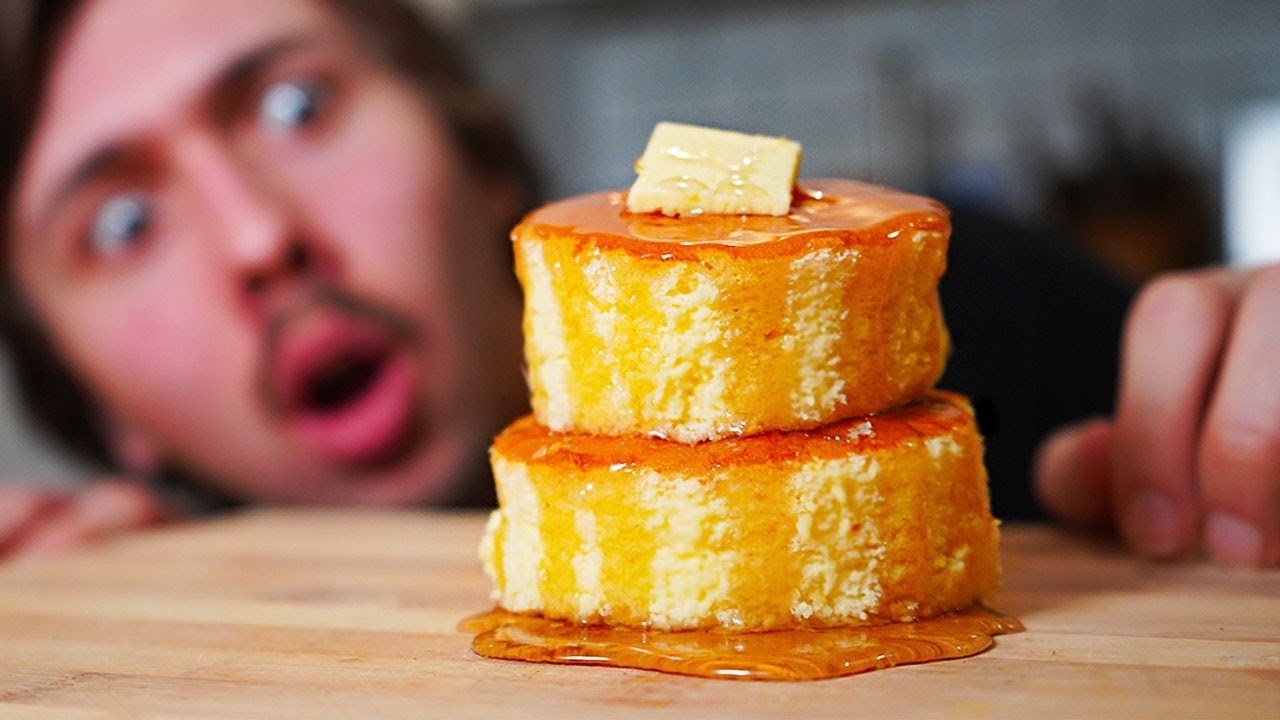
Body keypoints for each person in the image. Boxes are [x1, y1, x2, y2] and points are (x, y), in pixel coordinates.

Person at [0, 0, 1275, 568]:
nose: (253, 238)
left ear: (474, 143)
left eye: (292, 102)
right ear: (97, 406)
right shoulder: (108, 628)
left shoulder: (968, 326)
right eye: (118, 221)